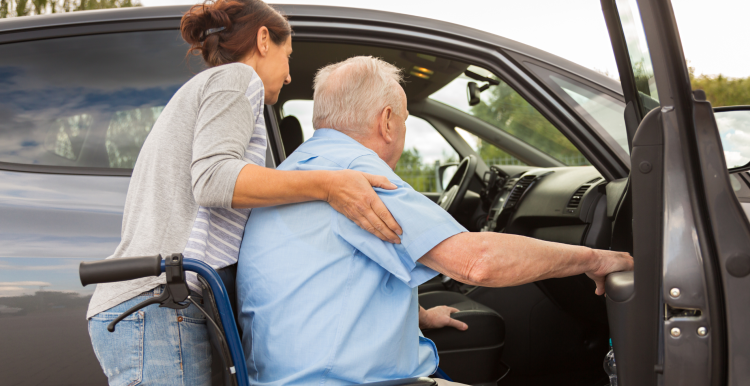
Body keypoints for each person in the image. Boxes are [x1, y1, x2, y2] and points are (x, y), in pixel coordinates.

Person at [235, 56, 634, 386]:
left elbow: (327, 278)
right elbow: (478, 262)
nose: (402, 130)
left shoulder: (298, 172)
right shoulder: (354, 177)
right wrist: (595, 259)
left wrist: (418, 316)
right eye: (406, 120)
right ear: (387, 121)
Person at [86, 2, 406, 385]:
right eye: (289, 57)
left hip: (151, 306)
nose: (289, 76)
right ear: (264, 39)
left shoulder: (211, 88)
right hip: (155, 307)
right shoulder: (237, 78)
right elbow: (213, 179)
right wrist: (329, 184)